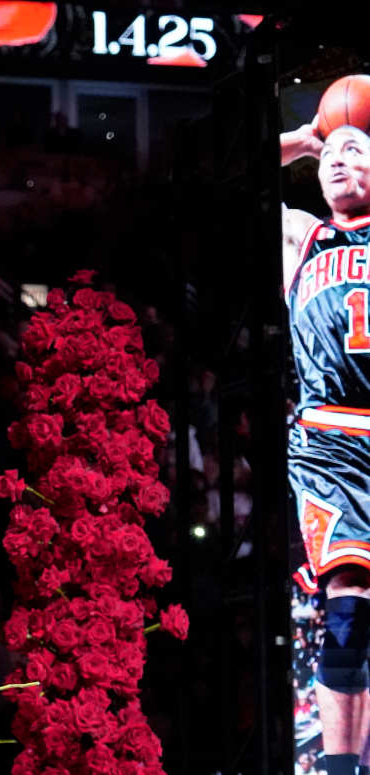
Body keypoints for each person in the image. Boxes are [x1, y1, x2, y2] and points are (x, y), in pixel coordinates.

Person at [281, 117, 370, 775]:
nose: (340, 161)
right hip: (331, 438)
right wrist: (307, 137)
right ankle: (340, 771)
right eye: (330, 158)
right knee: (347, 605)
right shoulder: (301, 237)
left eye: (356, 150)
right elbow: (219, 178)